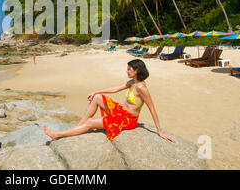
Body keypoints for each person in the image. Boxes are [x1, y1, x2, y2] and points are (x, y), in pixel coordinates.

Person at [43, 59, 175, 143]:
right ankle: (78, 128)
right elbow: (114, 89)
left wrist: (159, 131)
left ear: (137, 71)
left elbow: (152, 108)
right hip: (121, 111)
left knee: (90, 123)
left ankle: (58, 134)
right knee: (97, 98)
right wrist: (96, 91)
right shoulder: (132, 82)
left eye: (129, 69)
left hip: (128, 119)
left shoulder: (141, 87)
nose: (127, 71)